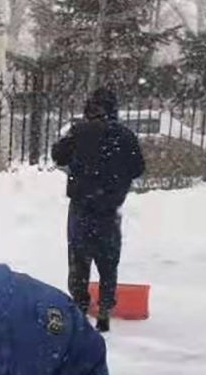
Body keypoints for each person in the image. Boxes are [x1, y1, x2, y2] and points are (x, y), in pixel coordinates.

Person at [50, 87, 144, 333]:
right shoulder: (125, 136)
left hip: (82, 208)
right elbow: (138, 168)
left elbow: (58, 155)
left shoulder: (80, 132)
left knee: (79, 261)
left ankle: (80, 307)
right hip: (109, 210)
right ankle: (103, 312)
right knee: (108, 262)